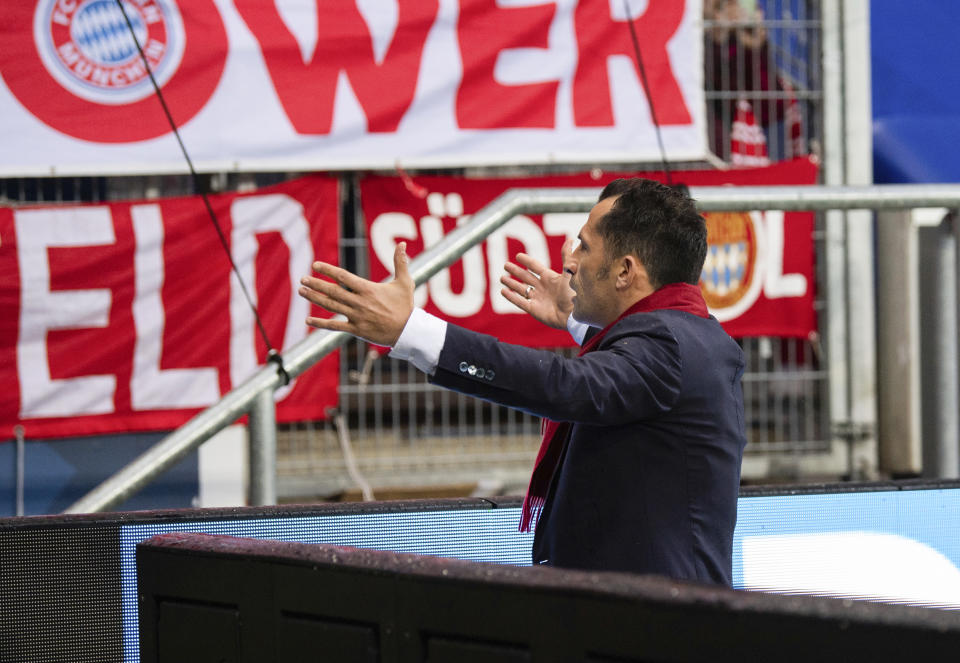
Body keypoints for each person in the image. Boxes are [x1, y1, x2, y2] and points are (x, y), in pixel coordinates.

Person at [298, 178, 747, 587]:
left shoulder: (667, 347)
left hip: (654, 626)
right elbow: (623, 380)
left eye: (584, 248)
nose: (569, 263)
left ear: (626, 271)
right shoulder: (689, 336)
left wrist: (412, 331)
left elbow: (568, 386)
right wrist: (576, 320)